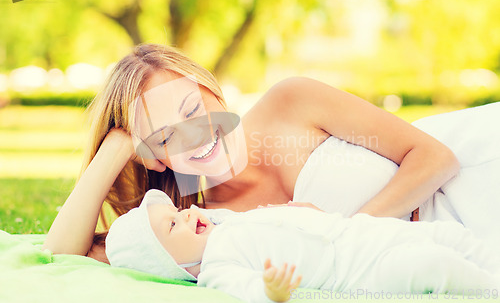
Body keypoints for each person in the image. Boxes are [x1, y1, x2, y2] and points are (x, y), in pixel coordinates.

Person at [42, 43, 500, 263]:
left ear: (210, 88)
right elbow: (63, 252)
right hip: (454, 246)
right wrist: (118, 145)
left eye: (192, 108)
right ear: (155, 159)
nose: (197, 136)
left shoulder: (290, 103)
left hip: (475, 173)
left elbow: (435, 158)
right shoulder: (198, 227)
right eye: (166, 137)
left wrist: (340, 229)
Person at [105, 189, 500, 303]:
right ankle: (489, 289)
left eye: (178, 208)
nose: (187, 212)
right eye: (173, 223)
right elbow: (244, 290)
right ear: (169, 264)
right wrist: (271, 289)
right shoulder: (216, 268)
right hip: (359, 271)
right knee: (431, 264)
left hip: (363, 233)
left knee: (447, 235)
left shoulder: (228, 223)